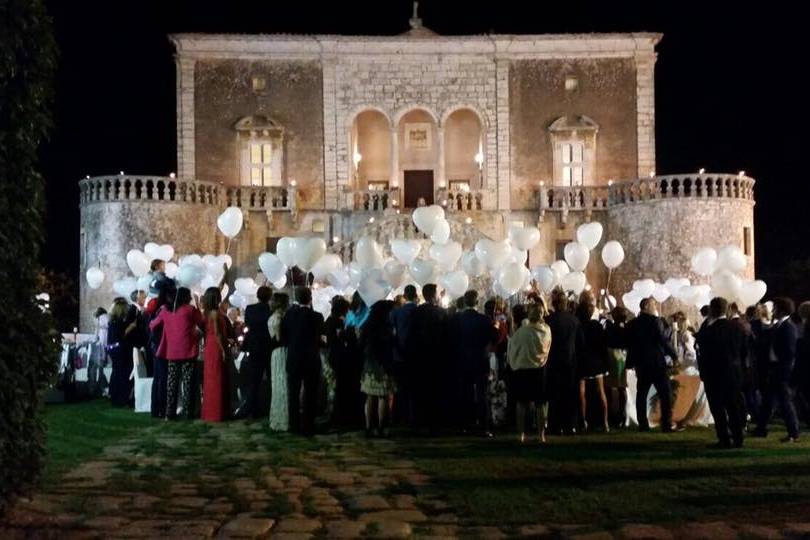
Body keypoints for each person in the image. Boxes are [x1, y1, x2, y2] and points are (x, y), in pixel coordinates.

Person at [696, 297, 748, 448]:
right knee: (733, 407)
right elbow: (744, 351)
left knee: (718, 408)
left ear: (712, 309)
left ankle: (724, 438)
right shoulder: (738, 327)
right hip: (733, 373)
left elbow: (702, 352)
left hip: (714, 373)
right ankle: (738, 438)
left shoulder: (708, 330)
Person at [149, 287, 204, 419]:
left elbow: (153, 325)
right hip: (188, 351)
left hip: (172, 352)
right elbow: (202, 324)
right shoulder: (190, 310)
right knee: (188, 383)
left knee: (171, 384)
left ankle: (170, 412)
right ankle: (187, 412)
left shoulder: (165, 311)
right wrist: (196, 335)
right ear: (186, 297)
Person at [625, 297, 679, 432]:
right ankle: (666, 424)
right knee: (665, 394)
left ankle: (643, 424)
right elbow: (663, 340)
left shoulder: (633, 324)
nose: (655, 306)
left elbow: (629, 344)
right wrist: (674, 355)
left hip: (641, 364)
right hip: (656, 363)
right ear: (646, 306)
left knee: (641, 394)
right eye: (654, 304)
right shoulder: (655, 321)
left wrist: (631, 361)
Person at [753, 297, 801, 442]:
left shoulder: (788, 327)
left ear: (781, 309)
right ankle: (761, 429)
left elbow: (790, 352)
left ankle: (793, 432)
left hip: (782, 370)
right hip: (774, 368)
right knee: (768, 400)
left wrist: (783, 370)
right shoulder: (779, 325)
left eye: (775, 308)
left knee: (784, 401)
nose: (773, 311)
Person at [452, 290, 498, 436]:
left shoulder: (457, 319)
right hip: (480, 360)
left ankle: (464, 425)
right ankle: (484, 427)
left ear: (465, 302)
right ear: (477, 303)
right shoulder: (484, 319)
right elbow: (494, 338)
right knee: (482, 394)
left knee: (464, 393)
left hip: (463, 360)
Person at [281, 286, 325, 436]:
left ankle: (294, 425)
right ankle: (308, 425)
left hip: (294, 358)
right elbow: (321, 339)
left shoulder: (289, 315)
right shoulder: (317, 317)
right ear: (310, 298)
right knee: (310, 394)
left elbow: (284, 337)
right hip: (311, 359)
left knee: (293, 394)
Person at [507, 302, 552, 443]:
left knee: (521, 403)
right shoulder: (546, 331)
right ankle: (541, 435)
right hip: (539, 369)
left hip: (523, 370)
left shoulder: (522, 332)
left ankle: (521, 434)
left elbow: (512, 347)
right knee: (540, 404)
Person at [408, 283, 450, 434]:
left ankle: (418, 423)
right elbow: (447, 337)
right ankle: (434, 424)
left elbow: (410, 335)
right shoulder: (441, 313)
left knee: (420, 391)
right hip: (437, 358)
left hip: (419, 358)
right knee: (436, 391)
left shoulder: (416, 313)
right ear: (433, 295)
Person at [545, 288, 583, 435]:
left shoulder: (549, 320)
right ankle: (571, 425)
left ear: (554, 304)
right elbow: (580, 342)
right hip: (570, 361)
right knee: (570, 394)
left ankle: (555, 425)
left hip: (554, 361)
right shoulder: (574, 320)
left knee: (555, 394)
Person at [360, 300, 398, 437]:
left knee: (370, 397)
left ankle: (369, 427)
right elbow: (393, 343)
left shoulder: (368, 325)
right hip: (384, 366)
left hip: (370, 365)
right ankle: (382, 427)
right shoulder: (387, 327)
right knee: (383, 396)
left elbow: (361, 342)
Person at [576, 297, 610, 432]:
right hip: (596, 362)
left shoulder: (578, 326)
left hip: (582, 361)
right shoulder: (596, 326)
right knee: (600, 392)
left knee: (581, 392)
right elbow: (603, 345)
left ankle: (583, 421)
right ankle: (605, 422)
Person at [239, 286, 273, 419]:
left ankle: (253, 409)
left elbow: (248, 324)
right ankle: (269, 406)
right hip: (269, 347)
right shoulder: (271, 310)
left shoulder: (250, 309)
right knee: (271, 380)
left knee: (254, 381)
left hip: (254, 347)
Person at [146, 280, 176, 418]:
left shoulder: (157, 307)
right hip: (162, 346)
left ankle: (156, 409)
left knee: (159, 377)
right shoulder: (165, 309)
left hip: (156, 346)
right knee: (162, 378)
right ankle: (161, 408)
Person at [390, 285, 419, 426]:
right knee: (415, 388)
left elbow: (392, 332)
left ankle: (398, 416)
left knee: (399, 388)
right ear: (415, 296)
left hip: (399, 355)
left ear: (404, 296)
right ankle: (414, 417)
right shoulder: (420, 312)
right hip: (416, 355)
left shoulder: (397, 313)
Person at [200, 287, 229, 422]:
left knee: (211, 378)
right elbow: (217, 333)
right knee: (216, 378)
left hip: (209, 345)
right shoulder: (215, 313)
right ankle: (216, 412)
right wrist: (223, 349)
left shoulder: (207, 313)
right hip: (215, 346)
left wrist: (224, 275)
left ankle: (210, 412)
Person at [325, 295, 352, 428]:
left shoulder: (329, 321)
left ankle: (336, 415)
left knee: (336, 387)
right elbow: (342, 338)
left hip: (333, 356)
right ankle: (340, 416)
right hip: (340, 357)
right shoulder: (338, 322)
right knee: (340, 387)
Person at [107, 298, 137, 407]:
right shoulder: (118, 323)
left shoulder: (112, 321)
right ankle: (120, 398)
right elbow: (121, 336)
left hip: (113, 350)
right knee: (122, 374)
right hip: (120, 351)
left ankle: (115, 396)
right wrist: (130, 327)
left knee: (117, 372)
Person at [268, 293, 291, 431]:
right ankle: (284, 418)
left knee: (277, 381)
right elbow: (278, 338)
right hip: (282, 351)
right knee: (283, 381)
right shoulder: (279, 318)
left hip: (275, 353)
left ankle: (278, 416)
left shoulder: (272, 317)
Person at [605, 306, 630, 428]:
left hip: (613, 356)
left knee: (611, 387)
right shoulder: (626, 328)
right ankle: (621, 416)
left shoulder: (611, 328)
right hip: (622, 357)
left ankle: (613, 415)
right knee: (621, 387)